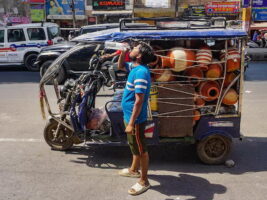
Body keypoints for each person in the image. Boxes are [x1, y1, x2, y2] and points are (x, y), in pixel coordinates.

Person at [117, 42, 155, 195]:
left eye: (134, 48)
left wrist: (131, 123)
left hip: (136, 120)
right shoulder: (135, 67)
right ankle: (133, 170)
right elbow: (120, 66)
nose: (132, 49)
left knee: (141, 149)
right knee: (134, 146)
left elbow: (139, 101)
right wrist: (122, 52)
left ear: (139, 55)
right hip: (130, 116)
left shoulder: (141, 73)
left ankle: (144, 181)